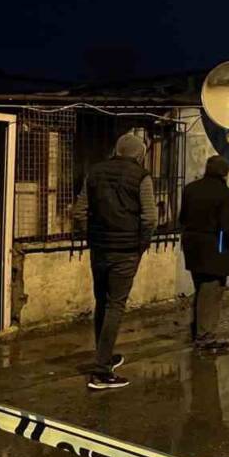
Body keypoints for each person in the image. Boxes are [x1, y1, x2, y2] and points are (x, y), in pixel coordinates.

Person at [71, 130, 157, 391]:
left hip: (100, 248)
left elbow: (79, 211)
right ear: (139, 155)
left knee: (102, 302)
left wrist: (91, 236)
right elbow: (150, 218)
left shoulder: (95, 172)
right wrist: (140, 245)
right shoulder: (141, 177)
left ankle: (104, 355)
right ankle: (102, 371)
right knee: (115, 305)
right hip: (126, 250)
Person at [179, 155, 229, 352]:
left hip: (192, 246)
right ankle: (205, 337)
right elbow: (227, 226)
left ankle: (198, 331)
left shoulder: (190, 189)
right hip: (215, 247)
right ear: (224, 172)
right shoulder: (224, 194)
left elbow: (182, 218)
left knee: (201, 288)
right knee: (211, 291)